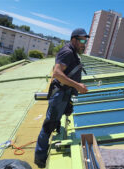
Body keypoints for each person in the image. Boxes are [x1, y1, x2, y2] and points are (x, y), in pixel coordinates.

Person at [34, 28, 89, 168]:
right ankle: (40, 159)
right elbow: (57, 73)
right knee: (48, 126)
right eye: (82, 40)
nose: (84, 43)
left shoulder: (73, 53)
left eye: (86, 40)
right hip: (59, 95)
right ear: (74, 40)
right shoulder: (67, 52)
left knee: (54, 122)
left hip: (64, 95)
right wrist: (77, 86)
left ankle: (44, 151)